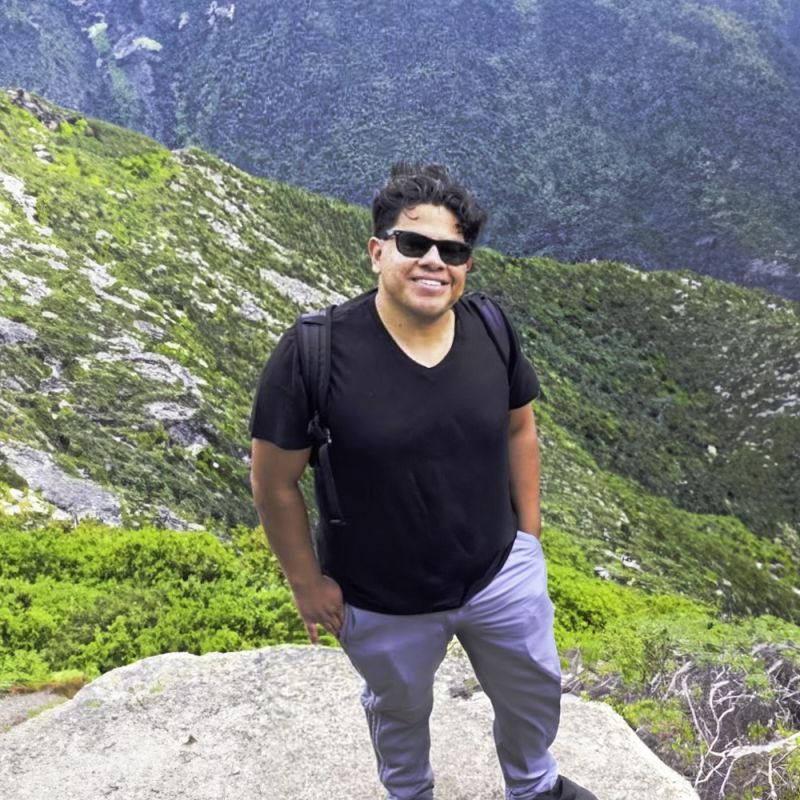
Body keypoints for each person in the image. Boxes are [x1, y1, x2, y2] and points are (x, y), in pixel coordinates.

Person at [249, 162, 597, 800]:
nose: (434, 260)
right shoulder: (314, 352)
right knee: (400, 711)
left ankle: (534, 785)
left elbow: (521, 429)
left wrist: (530, 539)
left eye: (454, 250)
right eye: (414, 244)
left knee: (532, 690)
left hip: (498, 571)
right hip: (383, 598)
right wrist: (305, 584)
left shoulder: (491, 330)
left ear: (466, 265)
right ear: (378, 250)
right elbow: (274, 484)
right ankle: (409, 792)